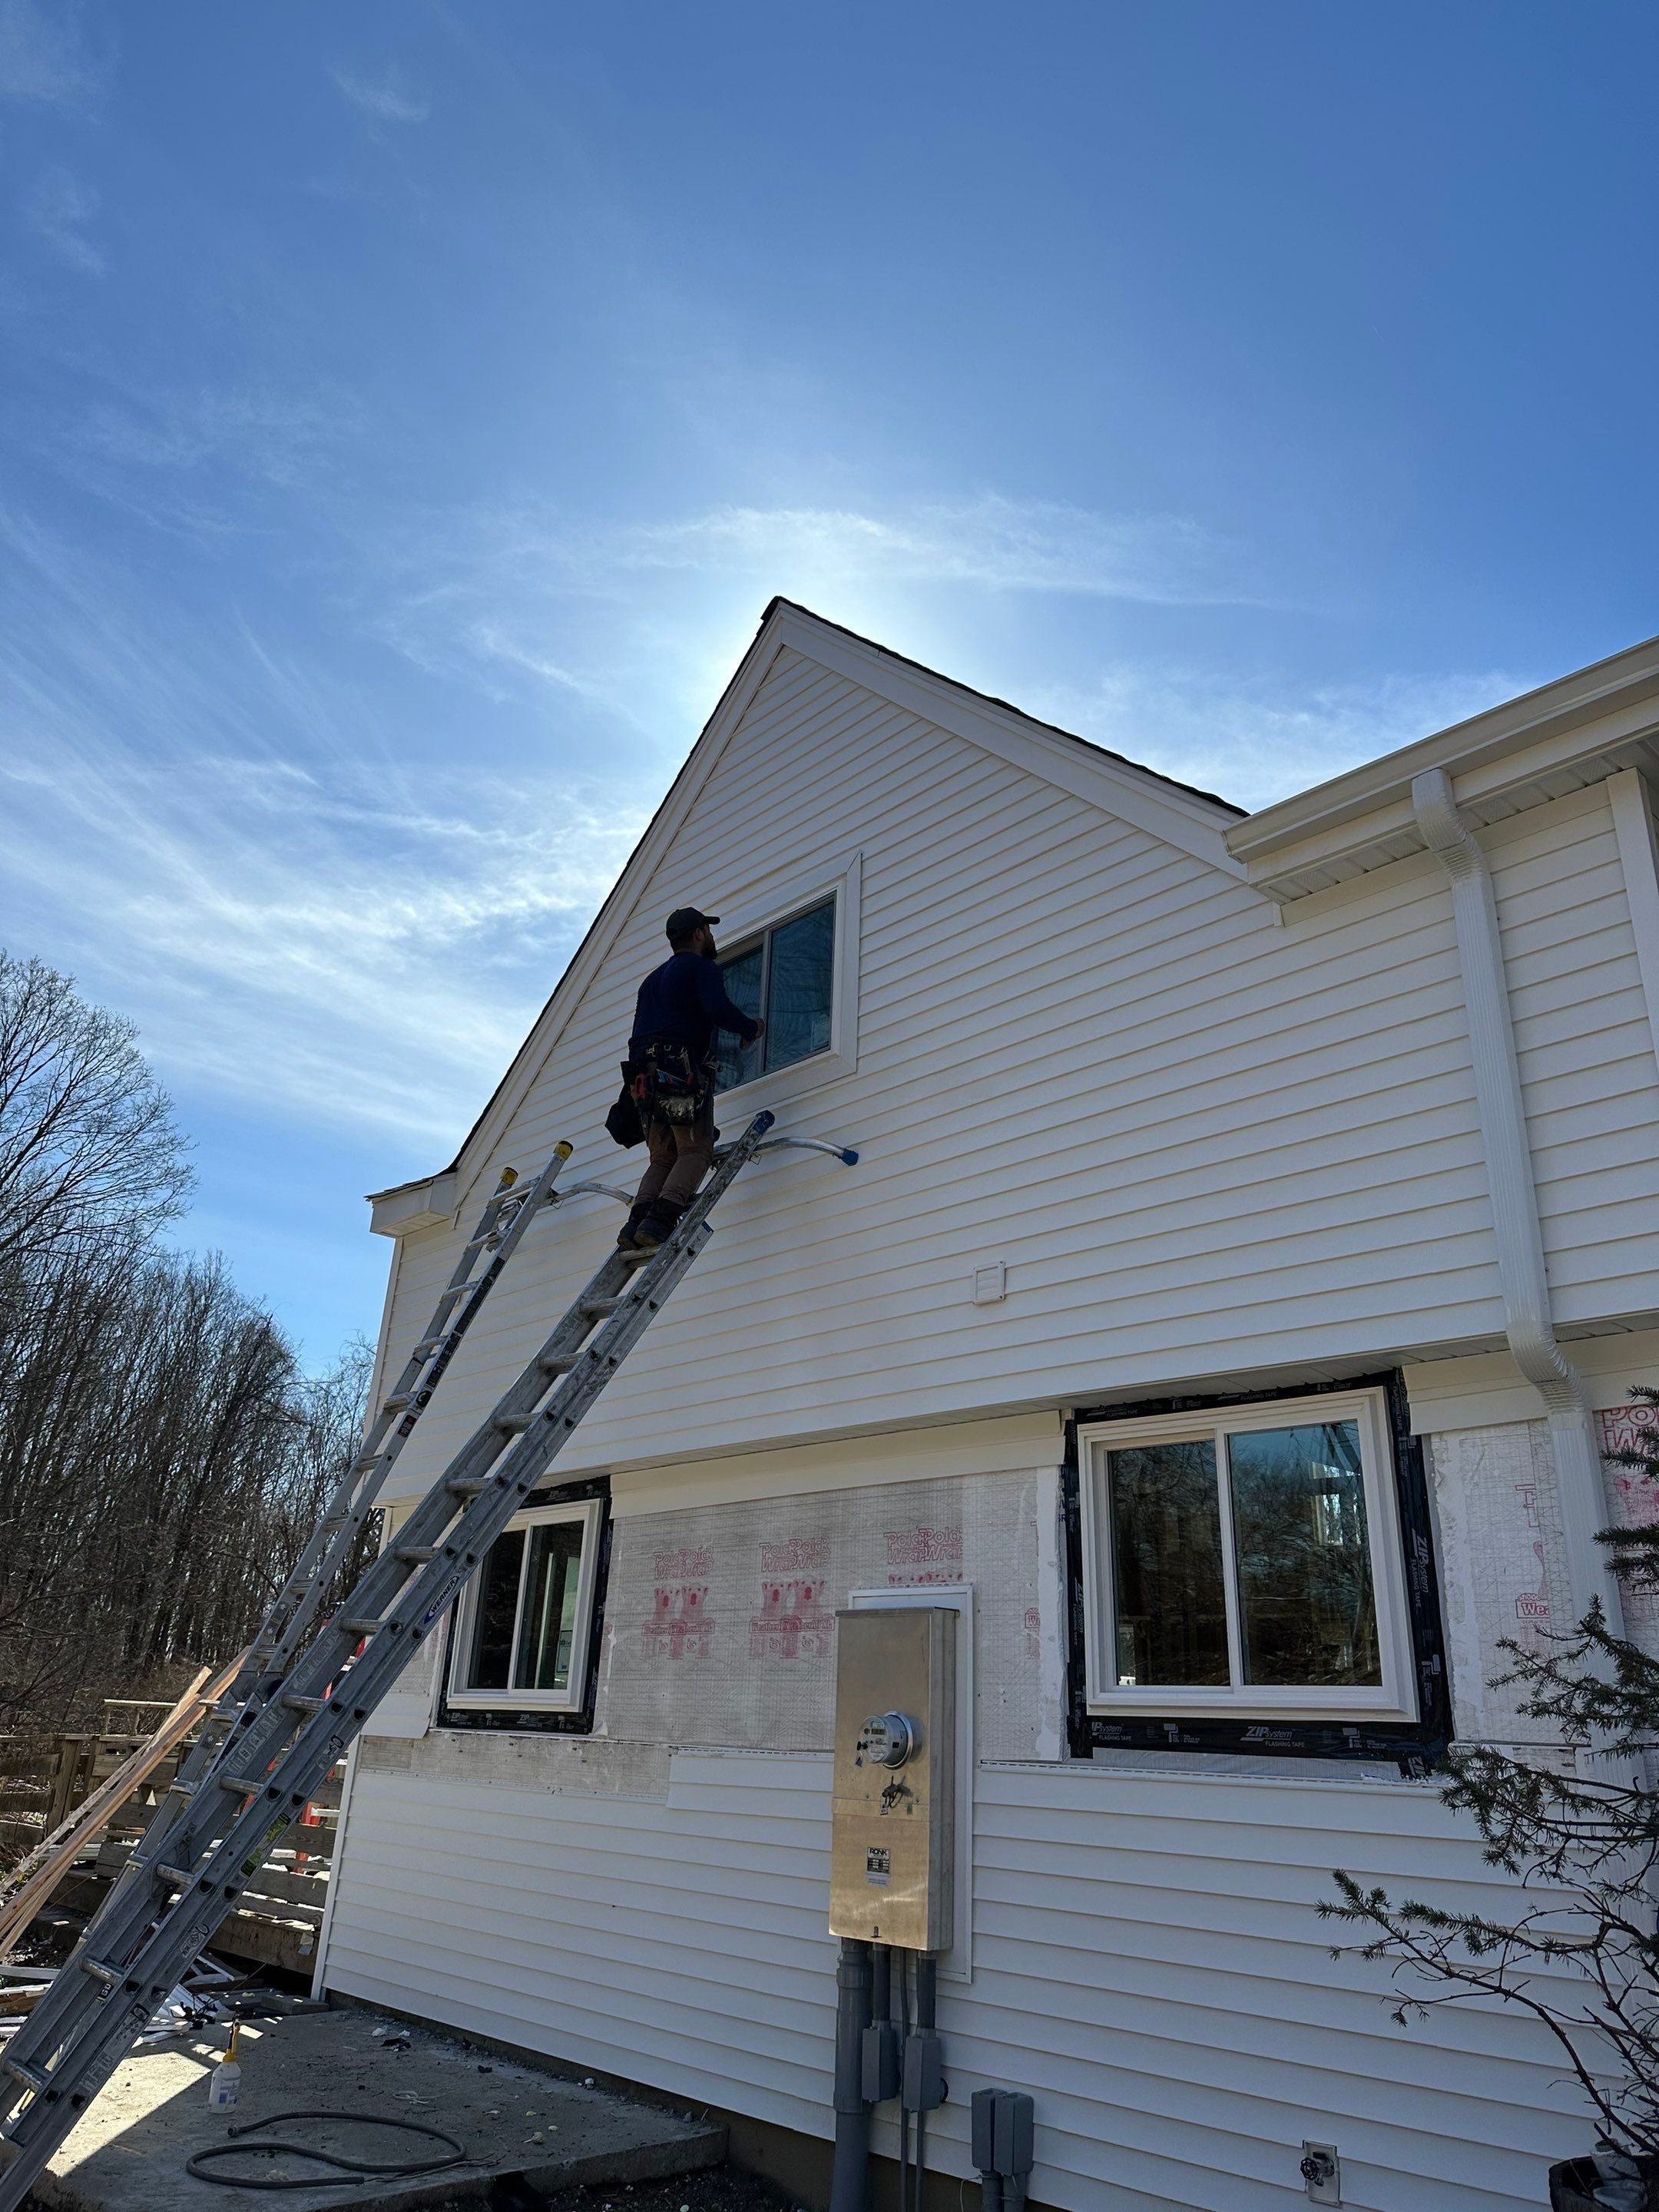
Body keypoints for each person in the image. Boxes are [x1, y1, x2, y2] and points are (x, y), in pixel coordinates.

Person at [618, 906, 763, 1251]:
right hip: (676, 1069)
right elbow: (717, 1009)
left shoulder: (651, 981)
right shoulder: (702, 968)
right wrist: (750, 1028)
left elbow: (639, 1034)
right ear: (699, 934)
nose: (712, 937)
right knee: (695, 1150)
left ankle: (635, 1223)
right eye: (708, 931)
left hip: (642, 1076)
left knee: (663, 1157)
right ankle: (659, 1220)